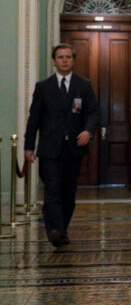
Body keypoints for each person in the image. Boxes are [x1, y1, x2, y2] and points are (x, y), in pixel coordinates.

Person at [24, 44, 100, 248]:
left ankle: (61, 230)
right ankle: (54, 230)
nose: (64, 60)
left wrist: (88, 131)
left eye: (68, 57)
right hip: (50, 147)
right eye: (60, 57)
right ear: (54, 60)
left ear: (73, 60)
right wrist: (28, 146)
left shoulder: (83, 85)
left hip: (73, 148)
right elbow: (34, 119)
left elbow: (93, 112)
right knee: (52, 189)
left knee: (68, 192)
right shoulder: (43, 87)